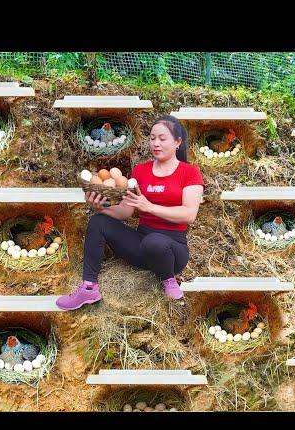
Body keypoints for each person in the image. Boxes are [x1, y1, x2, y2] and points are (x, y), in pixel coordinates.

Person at [56, 115, 205, 310]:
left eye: (162, 138)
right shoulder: (141, 171)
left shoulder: (190, 172)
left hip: (172, 251)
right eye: (152, 138)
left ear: (178, 142)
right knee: (99, 222)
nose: (156, 143)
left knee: (155, 242)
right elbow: (126, 212)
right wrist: (100, 206)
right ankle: (89, 287)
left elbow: (189, 215)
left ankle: (168, 279)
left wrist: (149, 207)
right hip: (141, 246)